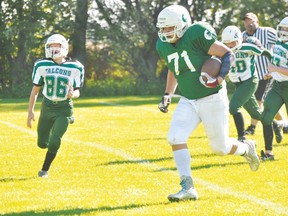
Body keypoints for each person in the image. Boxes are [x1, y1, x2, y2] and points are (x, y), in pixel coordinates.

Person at [156, 5, 260, 202]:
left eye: (169, 28)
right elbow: (174, 68)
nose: (165, 32)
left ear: (182, 25)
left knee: (220, 148)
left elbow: (227, 53)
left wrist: (220, 78)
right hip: (188, 99)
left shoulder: (196, 34)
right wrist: (168, 94)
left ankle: (247, 149)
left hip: (212, 97)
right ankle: (188, 187)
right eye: (163, 29)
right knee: (175, 137)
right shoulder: (163, 45)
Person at [27, 34, 84, 178]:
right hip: (47, 106)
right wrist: (30, 112)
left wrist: (73, 95)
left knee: (54, 141)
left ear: (64, 47)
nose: (53, 49)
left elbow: (77, 91)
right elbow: (35, 90)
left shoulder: (75, 67)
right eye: (50, 46)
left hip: (64, 107)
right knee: (42, 143)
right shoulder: (41, 65)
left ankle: (44, 170)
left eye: (56, 46)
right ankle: (64, 122)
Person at [221, 26, 272, 142]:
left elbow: (266, 52)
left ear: (238, 39)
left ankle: (241, 137)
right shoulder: (223, 50)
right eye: (226, 43)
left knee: (233, 107)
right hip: (237, 83)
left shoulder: (247, 47)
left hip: (250, 80)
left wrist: (272, 68)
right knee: (256, 113)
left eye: (231, 43)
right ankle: (275, 124)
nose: (229, 46)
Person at [242, 12, 286, 141]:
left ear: (257, 21)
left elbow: (280, 43)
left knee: (259, 101)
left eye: (251, 20)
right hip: (254, 75)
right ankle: (283, 123)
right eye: (245, 21)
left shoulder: (267, 32)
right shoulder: (244, 35)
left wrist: (276, 66)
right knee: (268, 104)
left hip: (269, 74)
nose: (248, 23)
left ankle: (252, 127)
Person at [261, 17, 288, 160]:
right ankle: (268, 153)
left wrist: (274, 68)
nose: (283, 31)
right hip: (277, 84)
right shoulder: (278, 42)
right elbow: (277, 61)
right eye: (282, 28)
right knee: (266, 117)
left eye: (286, 29)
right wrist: (271, 72)